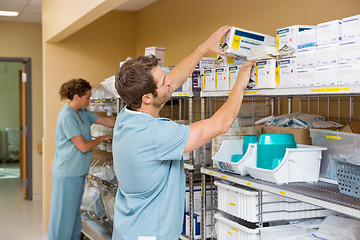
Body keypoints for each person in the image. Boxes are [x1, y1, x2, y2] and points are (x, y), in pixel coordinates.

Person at [112, 26, 255, 240]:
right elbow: (221, 124)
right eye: (163, 81)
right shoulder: (154, 134)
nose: (169, 81)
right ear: (147, 98)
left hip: (129, 230)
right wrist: (240, 84)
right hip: (151, 235)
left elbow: (172, 81)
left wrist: (204, 47)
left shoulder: (127, 116)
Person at [48, 78, 115, 240]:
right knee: (63, 214)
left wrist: (127, 121)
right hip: (67, 173)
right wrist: (101, 139)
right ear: (76, 97)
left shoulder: (83, 113)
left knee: (73, 213)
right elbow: (83, 147)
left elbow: (105, 120)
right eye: (87, 98)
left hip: (78, 171)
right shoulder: (67, 116)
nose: (90, 101)